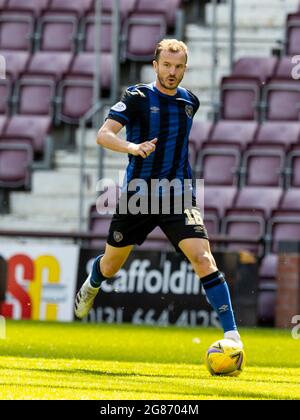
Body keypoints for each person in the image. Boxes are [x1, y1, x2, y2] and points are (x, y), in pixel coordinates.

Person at [75, 39, 243, 347]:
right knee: (111, 266)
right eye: (166, 65)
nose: (172, 71)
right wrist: (132, 147)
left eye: (178, 67)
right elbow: (103, 134)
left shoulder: (190, 101)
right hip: (139, 194)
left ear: (185, 69)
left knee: (203, 258)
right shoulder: (137, 96)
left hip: (178, 193)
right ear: (155, 65)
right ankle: (92, 283)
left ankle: (232, 337)